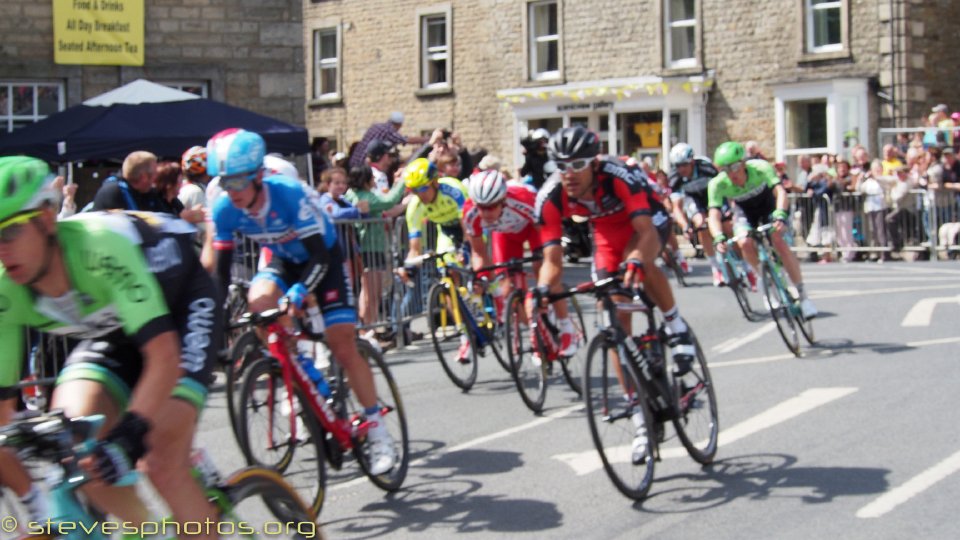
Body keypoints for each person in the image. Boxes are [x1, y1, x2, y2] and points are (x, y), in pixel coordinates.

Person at [0, 156, 223, 538]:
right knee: (76, 452)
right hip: (116, 330)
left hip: (180, 309)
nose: (1, 251)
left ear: (46, 219)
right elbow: (3, 404)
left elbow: (163, 356)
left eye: (9, 233)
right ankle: (148, 531)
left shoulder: (99, 250)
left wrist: (129, 432)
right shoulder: (6, 289)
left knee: (158, 458)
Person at [208, 128, 398, 475]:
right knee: (259, 304)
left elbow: (320, 259)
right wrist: (215, 325)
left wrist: (298, 294)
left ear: (258, 176)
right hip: (282, 260)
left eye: (238, 182)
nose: (231, 192)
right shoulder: (224, 209)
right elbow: (219, 276)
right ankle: (295, 372)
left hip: (322, 260)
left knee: (342, 345)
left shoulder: (289, 195)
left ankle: (377, 430)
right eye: (225, 183)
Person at [707, 142, 817, 318]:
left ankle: (803, 297)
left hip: (769, 207)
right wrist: (718, 236)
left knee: (778, 241)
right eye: (725, 169)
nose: (732, 173)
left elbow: (780, 192)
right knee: (744, 242)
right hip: (744, 212)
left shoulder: (761, 168)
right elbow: (713, 215)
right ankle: (765, 279)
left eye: (735, 166)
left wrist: (780, 214)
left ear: (743, 162)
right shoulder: (717, 184)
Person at [460, 170, 564, 351]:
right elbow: (479, 253)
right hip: (505, 235)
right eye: (481, 207)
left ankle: (549, 315)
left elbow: (548, 233)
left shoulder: (524, 200)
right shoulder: (470, 213)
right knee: (506, 287)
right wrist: (480, 277)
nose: (486, 212)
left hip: (533, 228)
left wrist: (547, 262)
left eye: (491, 206)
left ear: (503, 201)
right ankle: (529, 321)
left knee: (542, 268)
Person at [399, 157, 471, 360]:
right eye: (414, 191)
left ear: (434, 182)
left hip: (467, 226)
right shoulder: (415, 207)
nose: (419, 195)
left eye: (422, 189)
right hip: (447, 231)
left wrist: (466, 250)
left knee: (476, 261)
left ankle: (489, 300)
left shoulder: (453, 190)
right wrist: (409, 267)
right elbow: (415, 247)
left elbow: (467, 227)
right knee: (447, 275)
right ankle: (464, 334)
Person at [345, 165, 409, 344]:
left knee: (371, 291)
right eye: (371, 178)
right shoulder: (365, 196)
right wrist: (404, 181)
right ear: (365, 181)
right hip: (371, 246)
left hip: (371, 246)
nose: (374, 181)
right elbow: (389, 201)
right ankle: (366, 330)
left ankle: (369, 329)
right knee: (370, 292)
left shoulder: (353, 194)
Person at [667, 142, 734, 286]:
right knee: (701, 224)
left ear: (692, 161)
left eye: (684, 164)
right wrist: (685, 226)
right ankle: (715, 267)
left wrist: (730, 207)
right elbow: (677, 208)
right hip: (694, 199)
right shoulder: (674, 178)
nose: (681, 169)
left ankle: (740, 262)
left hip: (713, 195)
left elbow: (725, 186)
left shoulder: (706, 167)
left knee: (727, 225)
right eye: (678, 166)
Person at [92, 151, 178, 215]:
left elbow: (165, 217)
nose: (156, 178)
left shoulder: (149, 193)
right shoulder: (112, 192)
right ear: (144, 177)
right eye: (154, 174)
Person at [350, 112, 427, 169]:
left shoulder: (376, 126)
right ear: (399, 125)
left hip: (354, 161)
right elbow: (406, 140)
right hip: (363, 165)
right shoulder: (389, 131)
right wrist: (427, 139)